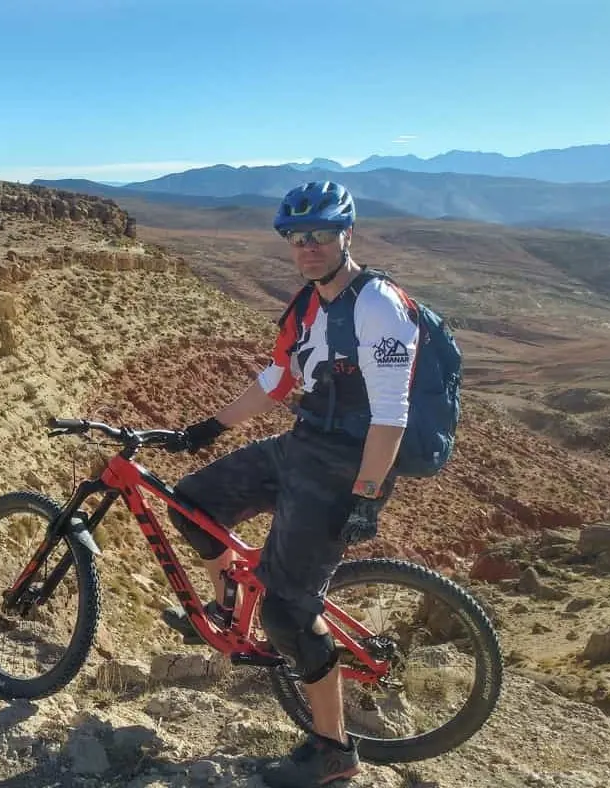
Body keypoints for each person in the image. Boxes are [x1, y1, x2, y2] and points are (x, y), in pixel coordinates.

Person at [160, 180, 420, 787]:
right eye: (298, 238)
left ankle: (334, 752)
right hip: (299, 447)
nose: (309, 246)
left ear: (345, 234)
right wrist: (207, 428)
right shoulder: (307, 305)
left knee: (288, 613)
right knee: (191, 502)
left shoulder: (377, 304)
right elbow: (277, 379)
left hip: (344, 468)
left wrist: (366, 494)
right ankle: (229, 598)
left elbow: (392, 413)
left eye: (321, 235)